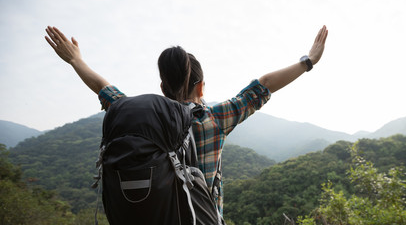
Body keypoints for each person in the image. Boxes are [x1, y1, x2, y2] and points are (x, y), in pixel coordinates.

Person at [44, 25, 328, 215]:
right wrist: (309, 61)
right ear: (201, 87)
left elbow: (104, 88)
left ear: (162, 87)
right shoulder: (215, 120)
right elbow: (264, 84)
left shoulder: (138, 118)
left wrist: (75, 60)